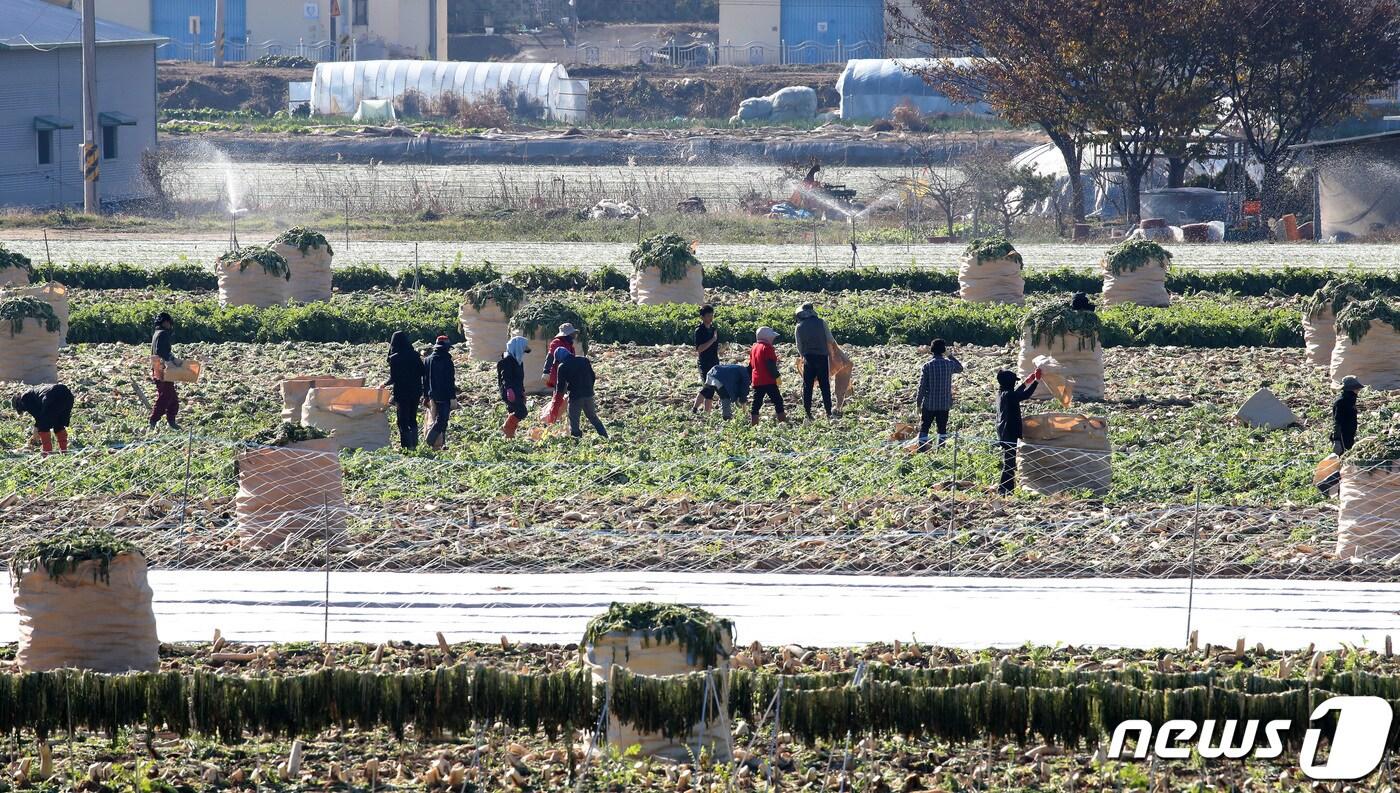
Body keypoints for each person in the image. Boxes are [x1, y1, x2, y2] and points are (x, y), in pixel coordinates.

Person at [995, 368, 1042, 494]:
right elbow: (1024, 395)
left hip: (1004, 432)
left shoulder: (1002, 394)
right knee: (1009, 463)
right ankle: (1004, 489)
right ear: (1010, 383)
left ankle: (1008, 489)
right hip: (1009, 432)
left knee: (1009, 461)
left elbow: (1016, 395)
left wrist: (1026, 383)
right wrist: (1036, 382)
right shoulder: (1009, 395)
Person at [915, 339, 964, 450]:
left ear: (932, 350)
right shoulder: (949, 364)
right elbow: (960, 368)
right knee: (942, 429)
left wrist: (918, 404)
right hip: (944, 404)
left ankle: (922, 449)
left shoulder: (927, 366)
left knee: (924, 427)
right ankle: (941, 450)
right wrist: (949, 355)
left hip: (929, 404)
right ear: (943, 350)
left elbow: (922, 387)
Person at [1320, 376, 1364, 494]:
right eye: (1356, 388)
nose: (1358, 390)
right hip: (1343, 438)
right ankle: (1326, 485)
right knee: (1345, 463)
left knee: (1345, 463)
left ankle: (1337, 488)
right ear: (1351, 389)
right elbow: (1337, 422)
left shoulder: (1350, 400)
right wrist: (1337, 440)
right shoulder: (1341, 402)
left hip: (1349, 436)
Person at [384, 331, 425, 450]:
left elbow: (394, 378)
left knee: (402, 421)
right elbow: (423, 371)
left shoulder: (394, 359)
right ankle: (414, 445)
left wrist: (384, 384)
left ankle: (407, 447)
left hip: (402, 393)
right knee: (412, 418)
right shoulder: (415, 355)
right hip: (416, 392)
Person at [554, 347, 608, 439]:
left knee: (574, 421)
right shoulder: (584, 360)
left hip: (575, 397)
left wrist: (556, 403)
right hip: (588, 394)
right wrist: (589, 389)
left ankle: (577, 441)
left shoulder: (562, 366)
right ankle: (605, 436)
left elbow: (560, 387)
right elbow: (592, 376)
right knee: (593, 417)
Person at [794, 303, 834, 419]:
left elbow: (799, 346)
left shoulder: (799, 326)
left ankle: (807, 413)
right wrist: (832, 354)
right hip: (822, 357)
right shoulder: (821, 322)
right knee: (824, 385)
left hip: (808, 358)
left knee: (808, 386)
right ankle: (828, 412)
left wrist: (803, 356)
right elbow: (830, 339)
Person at [13, 383, 73, 455]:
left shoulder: (25, 398)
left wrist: (36, 430)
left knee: (43, 426)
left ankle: (46, 453)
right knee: (58, 424)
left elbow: (39, 417)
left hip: (53, 396)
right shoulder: (33, 391)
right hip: (67, 395)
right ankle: (64, 452)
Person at [422, 335, 456, 450]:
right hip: (444, 395)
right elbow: (450, 380)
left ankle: (441, 444)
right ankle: (429, 441)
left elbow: (425, 380)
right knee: (442, 420)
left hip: (432, 395)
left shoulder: (427, 360)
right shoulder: (447, 361)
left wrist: (425, 396)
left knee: (436, 418)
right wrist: (453, 396)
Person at [149, 311, 181, 431]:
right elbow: (161, 351)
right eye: (168, 323)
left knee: (172, 397)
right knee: (166, 395)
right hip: (162, 368)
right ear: (165, 323)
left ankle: (171, 422)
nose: (170, 325)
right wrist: (171, 361)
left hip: (156, 367)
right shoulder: (163, 334)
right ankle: (153, 420)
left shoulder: (156, 333)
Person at [749, 326, 785, 424]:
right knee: (778, 401)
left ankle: (753, 424)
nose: (773, 339)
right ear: (767, 337)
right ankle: (783, 423)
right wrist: (777, 376)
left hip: (757, 380)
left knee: (756, 403)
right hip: (768, 380)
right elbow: (770, 365)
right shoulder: (767, 348)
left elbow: (751, 365)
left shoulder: (754, 347)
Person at [497, 335, 530, 438]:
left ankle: (509, 436)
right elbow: (505, 377)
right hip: (510, 391)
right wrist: (509, 390)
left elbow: (519, 379)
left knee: (512, 411)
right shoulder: (507, 360)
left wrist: (522, 391)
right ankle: (506, 428)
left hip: (517, 390)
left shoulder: (518, 361)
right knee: (522, 412)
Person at [692, 305, 721, 413]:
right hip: (704, 363)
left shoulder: (713, 330)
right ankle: (695, 409)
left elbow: (715, 348)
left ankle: (707, 413)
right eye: (708, 316)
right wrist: (713, 340)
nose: (711, 318)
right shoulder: (699, 331)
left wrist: (720, 348)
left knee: (712, 388)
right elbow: (700, 349)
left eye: (712, 315)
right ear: (702, 317)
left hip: (714, 362)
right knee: (707, 386)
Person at [543, 323, 579, 389]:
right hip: (558, 372)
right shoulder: (557, 342)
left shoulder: (570, 345)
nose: (574, 335)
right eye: (572, 333)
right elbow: (550, 356)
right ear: (568, 334)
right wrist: (546, 371)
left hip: (568, 373)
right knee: (560, 391)